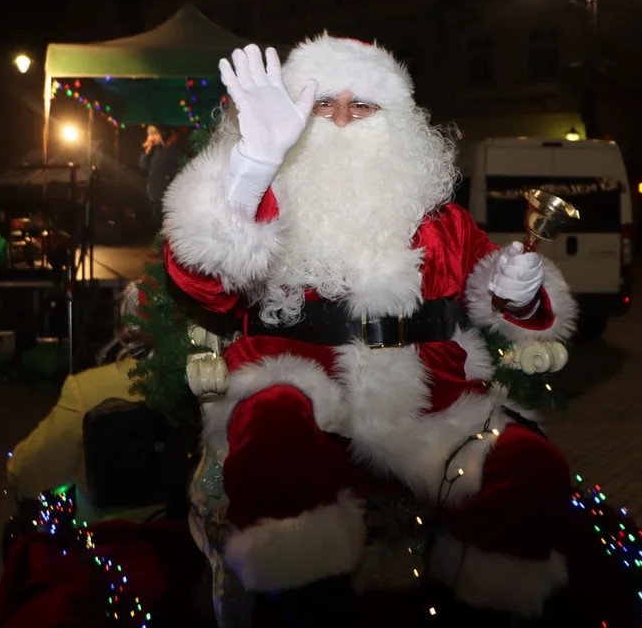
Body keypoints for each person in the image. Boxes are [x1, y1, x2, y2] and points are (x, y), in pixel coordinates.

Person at [161, 37, 578, 625]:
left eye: (363, 107)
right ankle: (306, 606)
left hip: (432, 407)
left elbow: (508, 306)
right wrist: (253, 165)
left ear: (397, 122)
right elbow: (201, 281)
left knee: (532, 470)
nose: (339, 118)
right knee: (276, 431)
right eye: (323, 102)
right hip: (305, 395)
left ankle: (480, 604)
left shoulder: (442, 219)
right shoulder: (263, 201)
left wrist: (520, 289)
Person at [139, 125, 182, 235]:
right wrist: (147, 152)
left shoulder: (171, 149)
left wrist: (168, 178)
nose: (151, 137)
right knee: (156, 221)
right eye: (149, 134)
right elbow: (143, 166)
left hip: (165, 192)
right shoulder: (156, 150)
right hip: (154, 192)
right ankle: (160, 246)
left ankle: (165, 248)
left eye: (154, 134)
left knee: (165, 222)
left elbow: (176, 167)